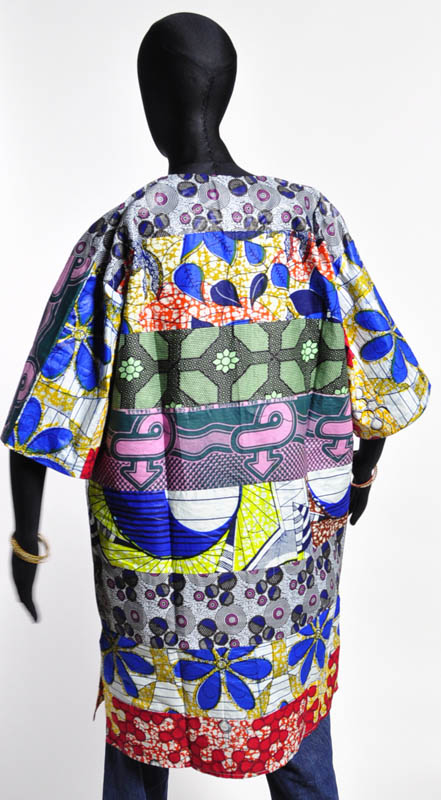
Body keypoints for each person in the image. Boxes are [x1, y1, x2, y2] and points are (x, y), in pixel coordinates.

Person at [3, 11, 430, 799]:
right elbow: (382, 377)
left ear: (151, 100)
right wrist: (361, 477)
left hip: (155, 578)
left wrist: (25, 545)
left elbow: (43, 417)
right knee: (299, 742)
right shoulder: (309, 220)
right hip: (291, 568)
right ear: (223, 92)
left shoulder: (126, 234)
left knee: (139, 752)